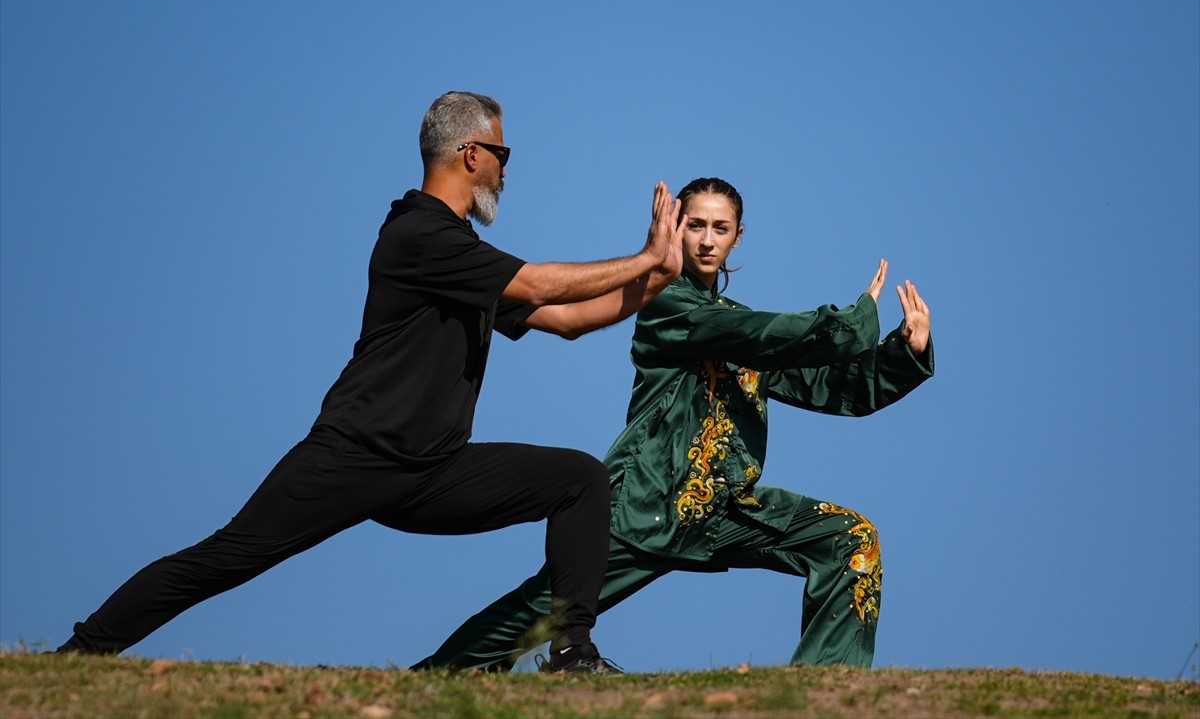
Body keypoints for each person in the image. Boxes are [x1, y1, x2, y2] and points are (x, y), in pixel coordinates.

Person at [55, 91, 686, 674]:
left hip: (433, 469)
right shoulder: (419, 234)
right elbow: (542, 283)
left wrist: (661, 274)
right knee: (225, 558)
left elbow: (571, 319)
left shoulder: (462, 253)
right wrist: (644, 256)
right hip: (353, 455)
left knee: (577, 480)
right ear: (471, 155)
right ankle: (79, 654)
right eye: (503, 154)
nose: (506, 170)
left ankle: (572, 652)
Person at [414, 176, 934, 672]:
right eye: (696, 225)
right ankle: (438, 674)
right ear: (674, 228)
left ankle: (824, 689)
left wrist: (902, 353)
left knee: (850, 540)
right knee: (537, 615)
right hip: (647, 506)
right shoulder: (665, 304)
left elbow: (828, 385)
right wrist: (852, 321)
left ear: (737, 237)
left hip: (725, 508)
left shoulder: (745, 328)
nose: (707, 241)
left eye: (720, 228)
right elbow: (757, 333)